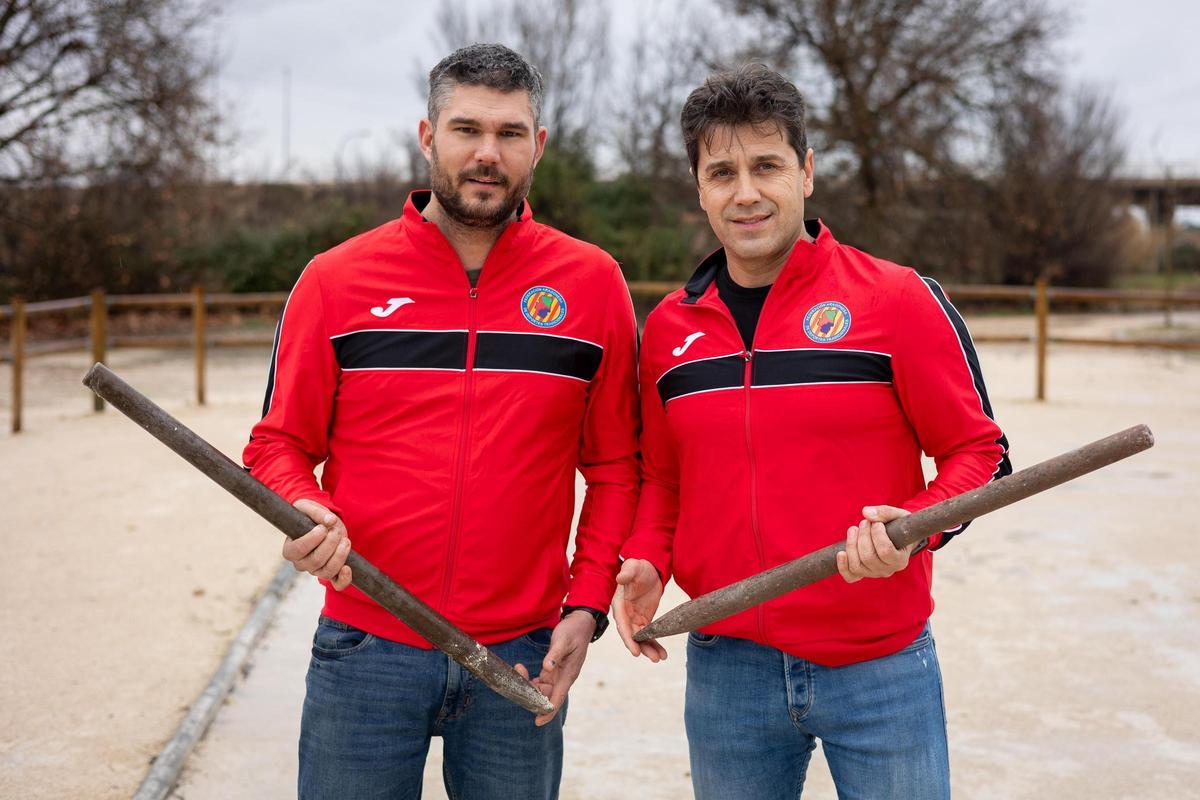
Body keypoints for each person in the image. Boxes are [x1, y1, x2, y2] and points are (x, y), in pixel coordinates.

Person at [243, 44, 639, 799]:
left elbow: (618, 467)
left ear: (539, 145)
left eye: (510, 133)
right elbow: (278, 443)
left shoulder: (593, 284)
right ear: (428, 137)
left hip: (519, 655)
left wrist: (586, 604)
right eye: (466, 130)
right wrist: (304, 503)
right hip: (367, 644)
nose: (487, 154)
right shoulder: (335, 281)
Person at [614, 64, 1011, 800]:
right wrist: (645, 557)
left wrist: (914, 528)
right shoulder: (669, 330)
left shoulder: (896, 299)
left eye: (766, 165)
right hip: (727, 666)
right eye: (721, 171)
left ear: (807, 171)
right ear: (699, 188)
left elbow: (982, 455)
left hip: (880, 668)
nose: (746, 192)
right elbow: (665, 479)